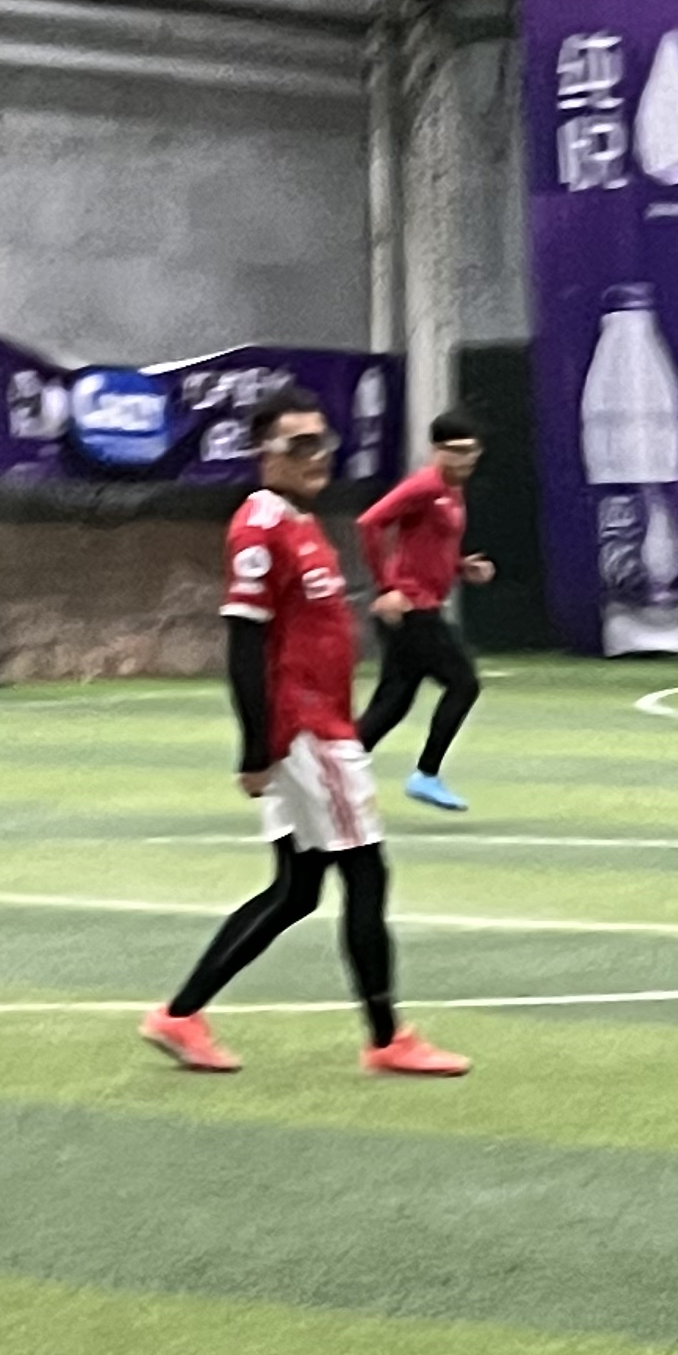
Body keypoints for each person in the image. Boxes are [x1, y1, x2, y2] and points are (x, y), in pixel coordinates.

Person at [141, 394, 472, 1082]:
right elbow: (244, 642)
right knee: (366, 873)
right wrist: (256, 748)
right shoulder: (261, 529)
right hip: (307, 730)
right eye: (299, 446)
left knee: (296, 890)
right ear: (264, 456)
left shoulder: (299, 521)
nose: (317, 456)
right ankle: (387, 1038)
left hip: (318, 725)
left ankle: (180, 1015)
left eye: (322, 442)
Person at [355, 410, 497, 814]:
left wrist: (461, 567)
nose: (466, 460)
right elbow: (369, 523)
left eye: (472, 452)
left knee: (393, 702)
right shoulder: (425, 485)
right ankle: (426, 774)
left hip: (422, 605)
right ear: (437, 450)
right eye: (457, 451)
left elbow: (429, 546)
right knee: (463, 683)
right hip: (412, 609)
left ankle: (333, 773)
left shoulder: (452, 490)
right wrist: (388, 588)